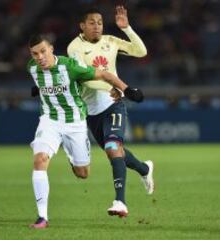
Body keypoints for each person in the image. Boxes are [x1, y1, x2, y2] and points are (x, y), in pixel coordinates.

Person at [27, 34, 144, 228]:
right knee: (40, 160)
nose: (39, 57)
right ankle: (42, 218)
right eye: (34, 53)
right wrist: (39, 89)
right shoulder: (31, 67)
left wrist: (126, 89)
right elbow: (44, 83)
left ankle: (72, 156)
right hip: (49, 121)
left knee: (83, 173)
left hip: (75, 123)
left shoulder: (70, 66)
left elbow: (104, 75)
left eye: (42, 51)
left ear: (51, 49)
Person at [67, 6, 154, 218]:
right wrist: (111, 85)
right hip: (91, 111)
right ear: (82, 26)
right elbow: (84, 77)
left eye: (99, 22)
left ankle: (120, 202)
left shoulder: (111, 41)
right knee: (116, 152)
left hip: (113, 103)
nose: (97, 26)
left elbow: (141, 52)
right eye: (91, 23)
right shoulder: (75, 48)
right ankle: (144, 169)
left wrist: (127, 29)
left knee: (113, 147)